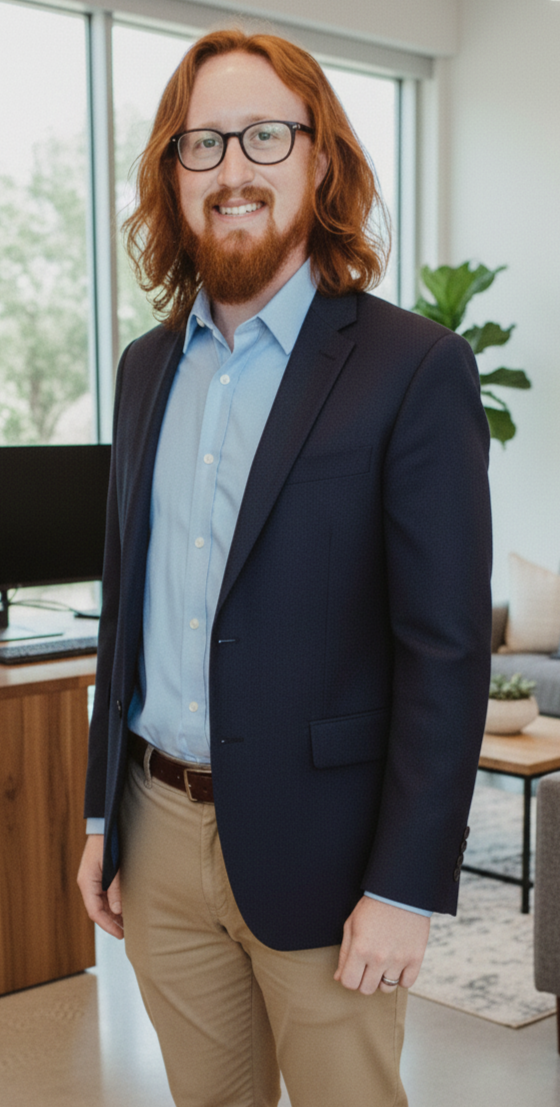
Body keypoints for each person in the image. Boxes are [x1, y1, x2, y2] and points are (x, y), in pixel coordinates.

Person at [78, 28, 492, 1107]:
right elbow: (126, 603)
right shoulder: (142, 369)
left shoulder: (412, 368)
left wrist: (405, 885)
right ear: (172, 181)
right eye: (200, 145)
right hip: (157, 835)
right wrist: (97, 821)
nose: (231, 170)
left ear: (319, 160)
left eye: (264, 136)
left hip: (328, 847)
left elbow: (442, 654)